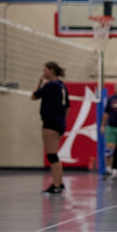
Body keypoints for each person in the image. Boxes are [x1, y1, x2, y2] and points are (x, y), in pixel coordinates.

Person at [32, 62, 71, 195]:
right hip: (59, 123)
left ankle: (56, 185)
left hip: (50, 124)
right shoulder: (62, 85)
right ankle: (60, 182)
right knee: (54, 154)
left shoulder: (51, 85)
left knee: (52, 155)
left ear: (52, 70)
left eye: (45, 70)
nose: (43, 73)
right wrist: (61, 120)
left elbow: (34, 96)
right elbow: (68, 108)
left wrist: (40, 81)